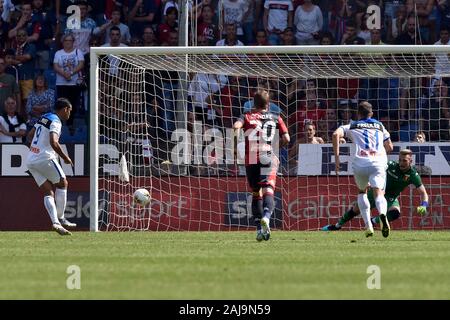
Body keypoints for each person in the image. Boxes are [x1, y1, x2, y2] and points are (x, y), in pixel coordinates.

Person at [322, 149, 429, 231]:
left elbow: (423, 193)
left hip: (391, 198)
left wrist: (424, 205)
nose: (401, 163)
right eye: (400, 160)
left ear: (411, 160)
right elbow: (375, 170)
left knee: (395, 213)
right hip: (376, 192)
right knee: (355, 210)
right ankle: (336, 226)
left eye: (404, 161)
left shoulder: (413, 175)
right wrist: (368, 181)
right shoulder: (391, 165)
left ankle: (373, 221)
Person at [233, 89, 290, 241]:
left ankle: (259, 230)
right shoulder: (276, 117)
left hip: (251, 157)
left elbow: (236, 127)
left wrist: (234, 147)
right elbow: (287, 138)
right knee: (268, 188)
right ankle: (266, 216)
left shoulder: (246, 116)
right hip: (267, 154)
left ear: (253, 103)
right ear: (268, 104)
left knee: (255, 192)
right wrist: (277, 147)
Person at [333, 101, 393, 237]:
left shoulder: (353, 125)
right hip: (378, 162)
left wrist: (337, 159)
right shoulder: (379, 125)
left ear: (358, 114)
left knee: (362, 192)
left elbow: (336, 135)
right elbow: (390, 146)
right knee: (379, 193)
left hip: (360, 163)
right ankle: (382, 214)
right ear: (371, 113)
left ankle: (368, 226)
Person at [26, 98, 76, 236]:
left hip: (31, 160)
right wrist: (66, 158)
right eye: (69, 111)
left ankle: (55, 222)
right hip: (45, 158)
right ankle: (61, 218)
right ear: (65, 109)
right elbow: (53, 142)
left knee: (49, 192)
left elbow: (30, 136)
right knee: (62, 182)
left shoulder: (44, 117)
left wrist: (36, 149)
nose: (69, 114)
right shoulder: (56, 121)